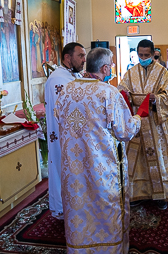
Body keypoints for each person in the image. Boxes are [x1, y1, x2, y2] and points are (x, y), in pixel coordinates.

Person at [54, 47, 141, 254]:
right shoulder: (108, 92)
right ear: (104, 67)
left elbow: (59, 119)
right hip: (101, 167)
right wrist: (139, 118)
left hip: (73, 169)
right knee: (104, 206)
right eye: (110, 65)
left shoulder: (66, 90)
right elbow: (125, 131)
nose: (110, 68)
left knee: (79, 207)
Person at [118, 39, 168, 210]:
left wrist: (157, 99)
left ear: (153, 54)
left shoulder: (162, 73)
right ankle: (137, 192)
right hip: (136, 122)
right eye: (140, 54)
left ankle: (160, 195)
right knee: (137, 160)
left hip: (154, 122)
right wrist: (126, 96)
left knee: (157, 157)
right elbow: (121, 92)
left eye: (146, 55)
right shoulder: (130, 73)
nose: (143, 57)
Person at [44, 42, 86, 219]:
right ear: (68, 58)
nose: (84, 60)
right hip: (63, 136)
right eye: (81, 56)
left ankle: (76, 204)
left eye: (84, 56)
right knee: (64, 168)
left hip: (72, 134)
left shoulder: (69, 76)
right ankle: (64, 207)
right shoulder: (58, 79)